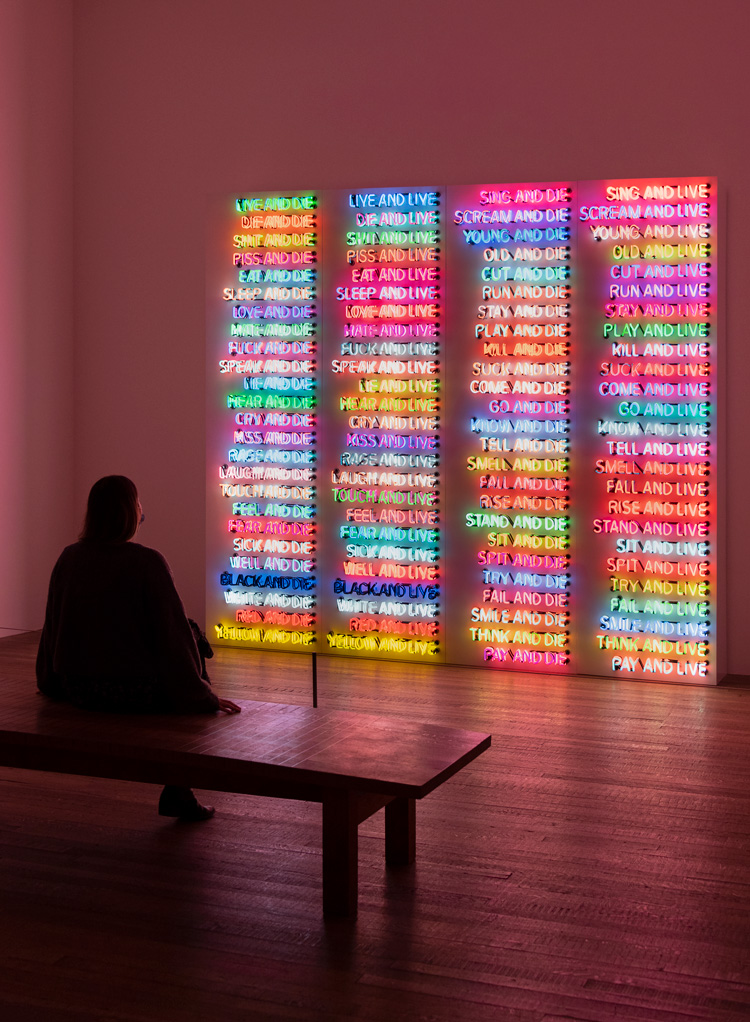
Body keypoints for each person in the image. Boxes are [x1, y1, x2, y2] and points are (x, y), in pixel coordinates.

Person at [36, 475, 241, 821]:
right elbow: (173, 640)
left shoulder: (69, 558)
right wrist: (202, 696)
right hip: (134, 691)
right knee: (191, 638)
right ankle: (180, 791)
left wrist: (51, 681)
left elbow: (53, 627)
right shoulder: (147, 562)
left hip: (79, 686)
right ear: (130, 512)